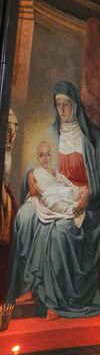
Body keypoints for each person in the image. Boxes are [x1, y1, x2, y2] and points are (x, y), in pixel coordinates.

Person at [7, 82, 100, 320]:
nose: (63, 110)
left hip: (80, 200)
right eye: (58, 104)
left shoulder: (92, 136)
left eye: (67, 104)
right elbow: (37, 163)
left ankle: (52, 299)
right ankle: (29, 286)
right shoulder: (51, 132)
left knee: (59, 231)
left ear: (76, 105)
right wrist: (30, 176)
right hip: (51, 195)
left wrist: (89, 191)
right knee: (24, 216)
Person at [27, 140, 85, 227]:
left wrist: (74, 190)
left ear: (51, 156)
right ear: (37, 158)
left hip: (61, 195)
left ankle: (75, 205)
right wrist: (61, 191)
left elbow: (67, 183)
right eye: (41, 155)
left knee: (70, 191)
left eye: (47, 154)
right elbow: (43, 191)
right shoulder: (37, 172)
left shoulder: (55, 172)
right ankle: (73, 208)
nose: (45, 158)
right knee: (50, 200)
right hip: (50, 198)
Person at [0, 109, 19, 302]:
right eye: (5, 129)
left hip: (5, 193)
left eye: (10, 131)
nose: (8, 134)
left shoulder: (7, 150)